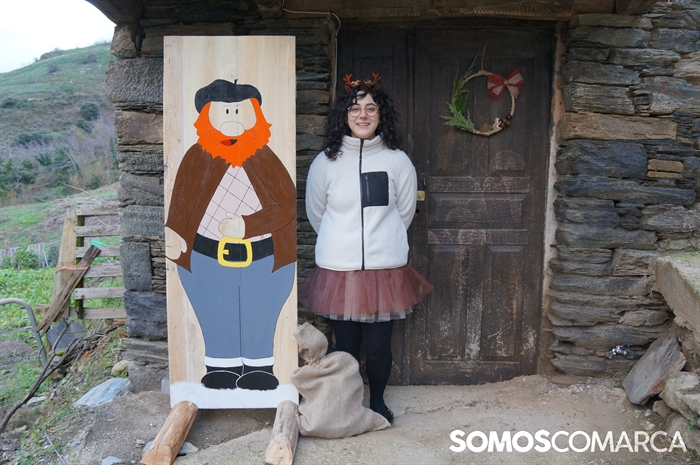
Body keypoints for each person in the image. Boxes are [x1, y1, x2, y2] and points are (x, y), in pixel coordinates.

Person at [301, 73, 432, 424]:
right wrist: (341, 242)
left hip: (383, 271)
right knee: (345, 346)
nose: (363, 115)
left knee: (377, 347)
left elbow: (404, 212)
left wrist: (381, 241)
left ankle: (377, 403)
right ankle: (348, 405)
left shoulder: (397, 161)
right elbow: (317, 213)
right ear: (344, 115)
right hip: (339, 272)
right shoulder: (325, 163)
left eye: (371, 108)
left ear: (380, 115)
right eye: (355, 108)